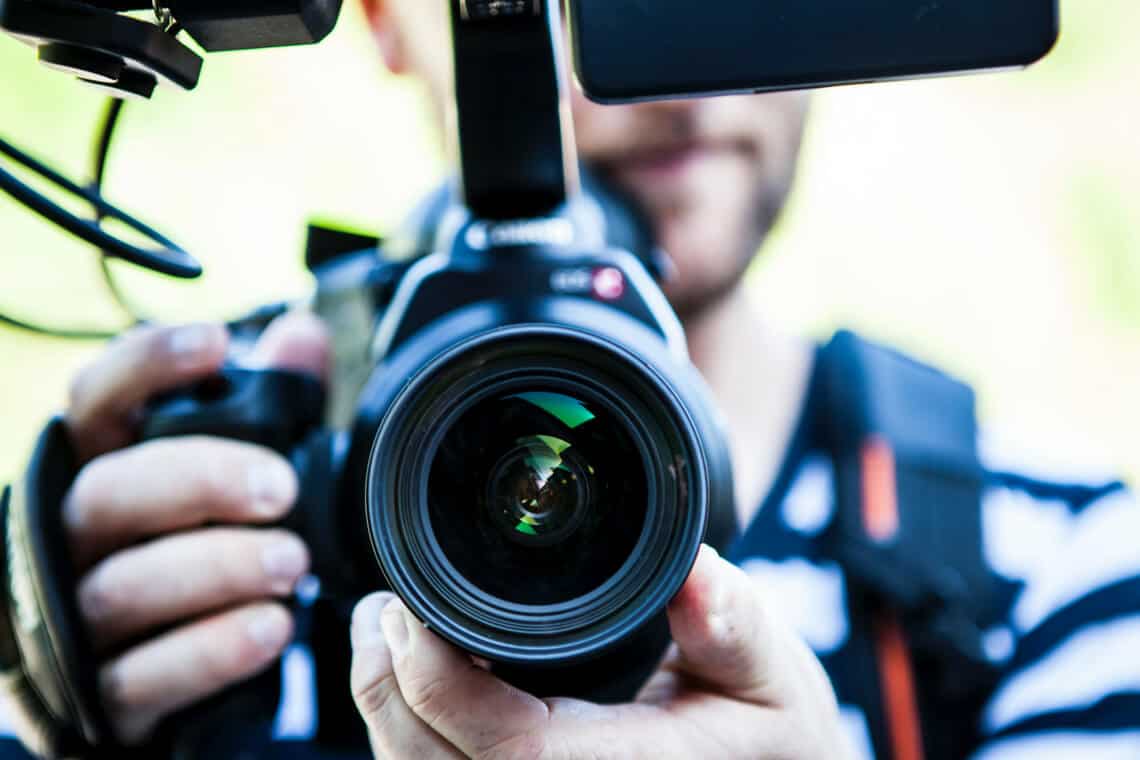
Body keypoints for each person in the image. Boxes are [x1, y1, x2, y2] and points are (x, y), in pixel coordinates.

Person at [5, 0, 1140, 757]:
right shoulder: (196, 527)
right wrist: (45, 659)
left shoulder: (1054, 557)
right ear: (387, 17)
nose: (672, 86)